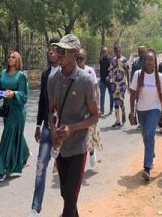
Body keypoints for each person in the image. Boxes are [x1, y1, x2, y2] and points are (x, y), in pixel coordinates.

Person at [48, 34, 99, 217]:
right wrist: (54, 132)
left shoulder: (85, 81)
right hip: (60, 147)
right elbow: (51, 111)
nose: (59, 54)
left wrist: (72, 128)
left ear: (75, 54)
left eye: (64, 51)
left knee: (70, 196)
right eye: (58, 50)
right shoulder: (53, 79)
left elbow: (95, 117)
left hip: (78, 146)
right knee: (65, 194)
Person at [29, 38, 60, 217]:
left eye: (54, 50)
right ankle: (35, 207)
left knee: (64, 172)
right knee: (40, 166)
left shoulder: (67, 73)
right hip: (48, 129)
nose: (50, 53)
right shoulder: (45, 73)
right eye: (49, 50)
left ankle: (69, 208)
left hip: (63, 132)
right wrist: (38, 125)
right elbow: (42, 100)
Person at [129, 50, 162, 181]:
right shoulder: (138, 75)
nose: (149, 62)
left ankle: (147, 168)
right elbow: (133, 94)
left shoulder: (160, 77)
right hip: (141, 110)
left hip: (155, 108)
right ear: (144, 62)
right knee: (145, 136)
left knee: (150, 134)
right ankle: (150, 153)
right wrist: (132, 112)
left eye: (151, 60)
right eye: (147, 60)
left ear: (155, 62)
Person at [0, 51, 30, 182]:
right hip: (7, 110)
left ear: (17, 60)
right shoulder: (3, 73)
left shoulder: (21, 76)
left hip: (18, 111)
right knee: (14, 134)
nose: (10, 59)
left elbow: (24, 95)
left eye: (13, 57)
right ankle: (24, 153)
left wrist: (14, 94)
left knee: (7, 137)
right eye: (9, 57)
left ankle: (1, 168)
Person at [77, 48, 102, 168]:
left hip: (90, 107)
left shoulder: (90, 71)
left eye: (81, 59)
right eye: (77, 59)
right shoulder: (73, 72)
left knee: (91, 132)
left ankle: (91, 153)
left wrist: (98, 105)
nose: (79, 61)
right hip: (77, 107)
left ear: (85, 59)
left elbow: (96, 89)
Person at [108, 44, 130, 127]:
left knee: (120, 99)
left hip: (122, 83)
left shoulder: (124, 60)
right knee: (115, 102)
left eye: (118, 50)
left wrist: (128, 83)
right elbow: (111, 70)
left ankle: (123, 110)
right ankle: (117, 120)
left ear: (120, 50)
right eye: (115, 51)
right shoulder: (112, 60)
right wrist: (109, 76)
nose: (116, 52)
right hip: (114, 83)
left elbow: (127, 72)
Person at [99, 46, 113, 116]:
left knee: (111, 95)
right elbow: (101, 70)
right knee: (102, 95)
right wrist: (101, 78)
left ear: (107, 52)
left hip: (110, 81)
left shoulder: (111, 59)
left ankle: (111, 109)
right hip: (102, 81)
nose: (103, 53)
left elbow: (112, 69)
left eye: (105, 51)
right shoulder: (101, 60)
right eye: (102, 52)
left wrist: (109, 76)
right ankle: (102, 110)